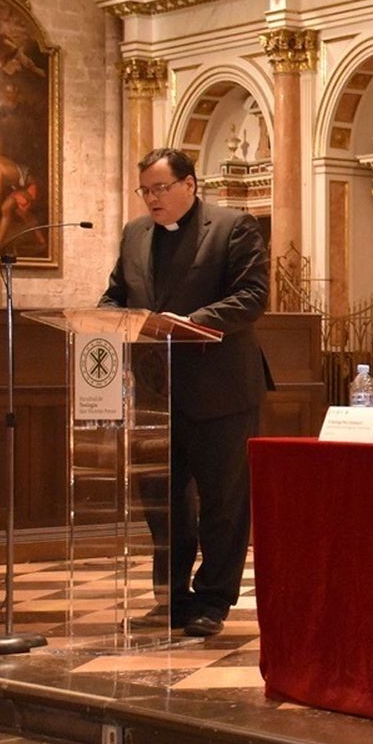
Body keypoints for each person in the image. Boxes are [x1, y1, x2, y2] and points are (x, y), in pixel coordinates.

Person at [100, 148, 271, 638]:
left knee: (223, 501)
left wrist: (192, 323)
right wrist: (103, 315)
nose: (151, 199)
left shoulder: (234, 227)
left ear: (189, 185)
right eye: (145, 190)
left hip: (220, 390)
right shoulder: (135, 234)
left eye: (159, 188)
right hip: (154, 392)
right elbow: (118, 293)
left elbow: (252, 296)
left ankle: (214, 600)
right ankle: (172, 597)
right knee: (162, 499)